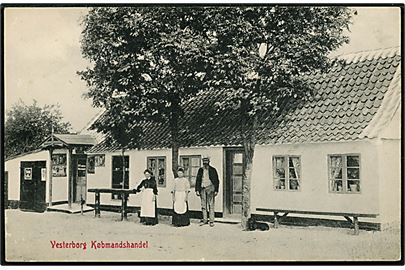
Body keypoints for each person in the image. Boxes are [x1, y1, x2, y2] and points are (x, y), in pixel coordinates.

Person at [195, 156, 219, 227]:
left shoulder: (213, 170)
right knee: (203, 206)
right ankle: (205, 220)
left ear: (209, 162)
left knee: (211, 205)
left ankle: (211, 221)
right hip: (202, 189)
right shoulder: (200, 170)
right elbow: (198, 180)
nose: (205, 164)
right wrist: (197, 190)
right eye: (204, 163)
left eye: (206, 162)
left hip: (210, 189)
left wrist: (216, 190)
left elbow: (217, 181)